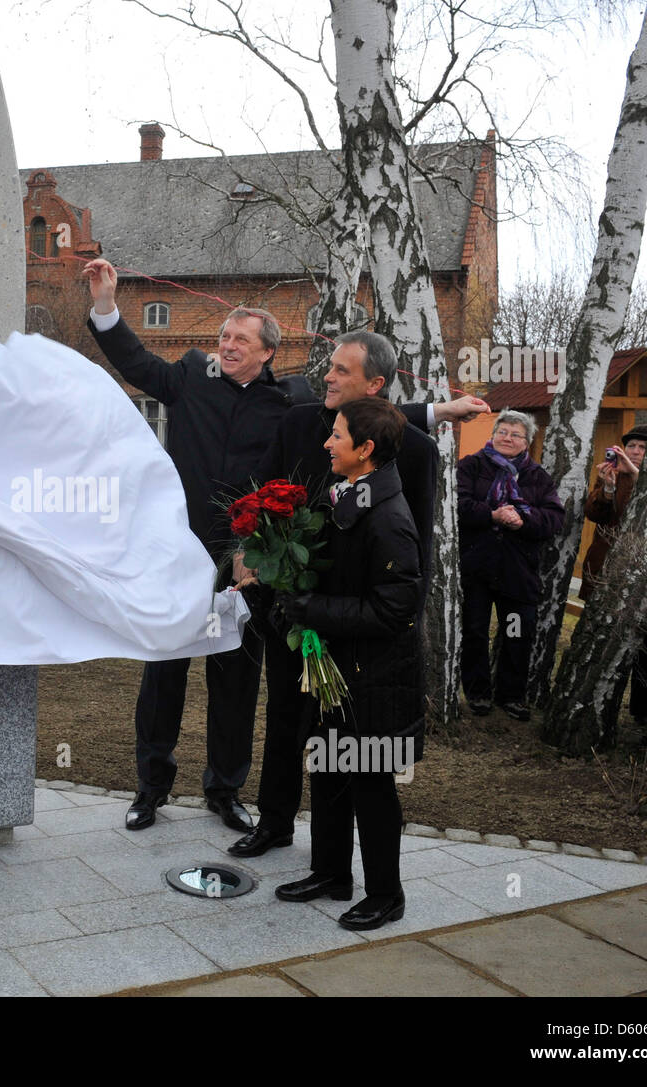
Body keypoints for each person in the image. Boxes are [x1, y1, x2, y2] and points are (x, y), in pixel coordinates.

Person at [229, 330, 487, 858]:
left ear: (374, 384)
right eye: (330, 366)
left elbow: (413, 541)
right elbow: (262, 500)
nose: (327, 375)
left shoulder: (412, 450)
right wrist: (251, 552)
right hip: (293, 611)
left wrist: (395, 622)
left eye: (342, 371)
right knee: (284, 720)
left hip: (352, 625)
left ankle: (339, 856)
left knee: (342, 744)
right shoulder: (300, 422)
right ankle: (274, 822)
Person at [80, 257, 316, 833]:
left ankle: (225, 789)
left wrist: (435, 410)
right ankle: (150, 787)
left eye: (241, 339)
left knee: (235, 678)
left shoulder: (293, 401)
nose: (227, 346)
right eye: (224, 337)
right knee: (164, 671)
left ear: (267, 353)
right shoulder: (188, 376)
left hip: (246, 562)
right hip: (176, 554)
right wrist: (106, 306)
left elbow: (358, 417)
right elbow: (135, 363)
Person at [270, 397, 423, 931]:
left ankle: (387, 893)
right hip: (340, 670)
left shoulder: (390, 518)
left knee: (372, 786)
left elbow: (395, 608)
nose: (326, 444)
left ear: (366, 449)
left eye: (337, 436)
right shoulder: (349, 496)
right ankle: (331, 873)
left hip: (377, 681)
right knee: (331, 771)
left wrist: (315, 609)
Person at [457, 409, 565, 721]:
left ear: (527, 443)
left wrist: (524, 519)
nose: (507, 438)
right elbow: (458, 504)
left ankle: (511, 696)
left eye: (516, 434)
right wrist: (491, 515)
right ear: (492, 435)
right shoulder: (472, 466)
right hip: (476, 565)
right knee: (475, 629)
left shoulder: (537, 477)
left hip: (517, 571)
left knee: (516, 633)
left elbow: (555, 517)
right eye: (502, 431)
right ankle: (477, 693)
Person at [583, 425, 647, 733]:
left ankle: (644, 712)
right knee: (597, 636)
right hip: (605, 567)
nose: (637, 452)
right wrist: (609, 487)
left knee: (646, 649)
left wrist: (638, 478)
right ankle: (588, 701)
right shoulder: (617, 476)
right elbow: (594, 512)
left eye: (642, 447)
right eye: (632, 446)